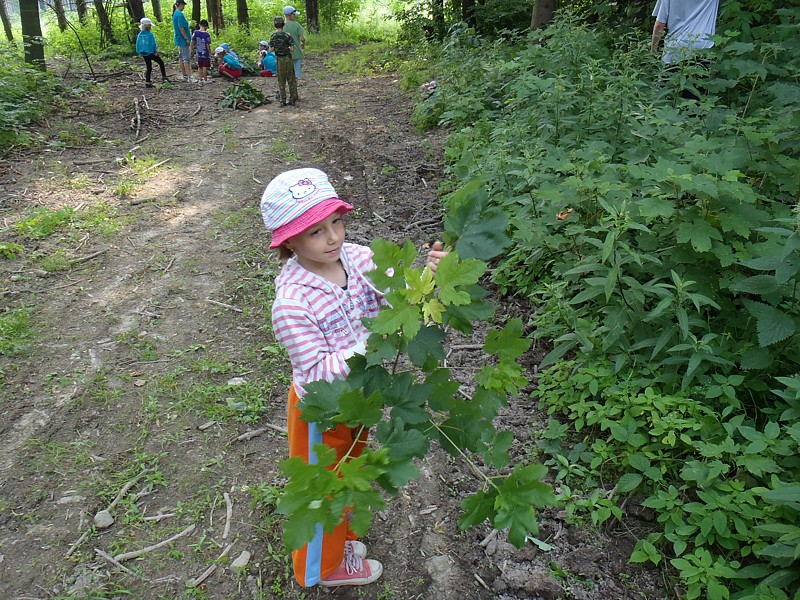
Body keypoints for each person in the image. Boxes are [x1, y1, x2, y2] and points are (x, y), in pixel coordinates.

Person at [261, 167, 444, 589]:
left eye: (336, 222)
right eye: (315, 232)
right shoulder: (291, 304)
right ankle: (321, 569)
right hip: (322, 412)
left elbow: (399, 295)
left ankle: (341, 539)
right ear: (288, 241)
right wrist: (375, 338)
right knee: (325, 488)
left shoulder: (358, 259)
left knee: (350, 473)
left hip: (362, 398)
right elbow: (319, 371)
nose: (333, 238)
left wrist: (429, 277)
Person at [650, 0, 720, 64]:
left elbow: (659, 24)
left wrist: (654, 49)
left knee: (670, 75)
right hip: (703, 47)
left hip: (675, 48)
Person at [270, 16, 298, 107]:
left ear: (275, 25)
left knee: (281, 80)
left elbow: (271, 49)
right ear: (283, 24)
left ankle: (283, 100)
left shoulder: (273, 36)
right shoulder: (287, 35)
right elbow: (293, 49)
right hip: (288, 59)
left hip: (279, 59)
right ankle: (293, 98)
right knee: (291, 78)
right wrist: (288, 48)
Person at [136, 18, 170, 88]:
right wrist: (155, 51)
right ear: (147, 26)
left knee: (149, 67)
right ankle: (164, 77)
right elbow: (153, 44)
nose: (150, 27)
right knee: (161, 62)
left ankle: (147, 82)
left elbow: (138, 44)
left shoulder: (140, 35)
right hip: (150, 52)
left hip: (144, 53)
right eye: (150, 26)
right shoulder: (150, 35)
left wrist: (139, 51)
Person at [172, 0, 197, 82]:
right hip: (182, 40)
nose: (184, 7)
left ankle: (184, 74)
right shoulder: (179, 14)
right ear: (180, 4)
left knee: (181, 57)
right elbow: (181, 27)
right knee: (186, 58)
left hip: (178, 39)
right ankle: (190, 77)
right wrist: (186, 38)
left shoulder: (175, 13)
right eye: (183, 5)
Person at [282, 6, 306, 81]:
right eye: (294, 14)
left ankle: (288, 80)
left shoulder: (281, 26)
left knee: (287, 68)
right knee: (297, 68)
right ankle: (297, 80)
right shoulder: (296, 25)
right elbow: (302, 38)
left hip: (285, 52)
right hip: (296, 51)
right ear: (289, 15)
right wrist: (303, 44)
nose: (295, 16)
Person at [191, 19, 213, 83]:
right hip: (205, 53)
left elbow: (192, 41)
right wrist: (209, 53)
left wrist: (192, 49)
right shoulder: (207, 35)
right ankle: (205, 79)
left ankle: (200, 79)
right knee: (205, 66)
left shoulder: (195, 32)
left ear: (199, 25)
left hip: (198, 52)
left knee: (199, 66)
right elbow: (208, 44)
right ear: (206, 26)